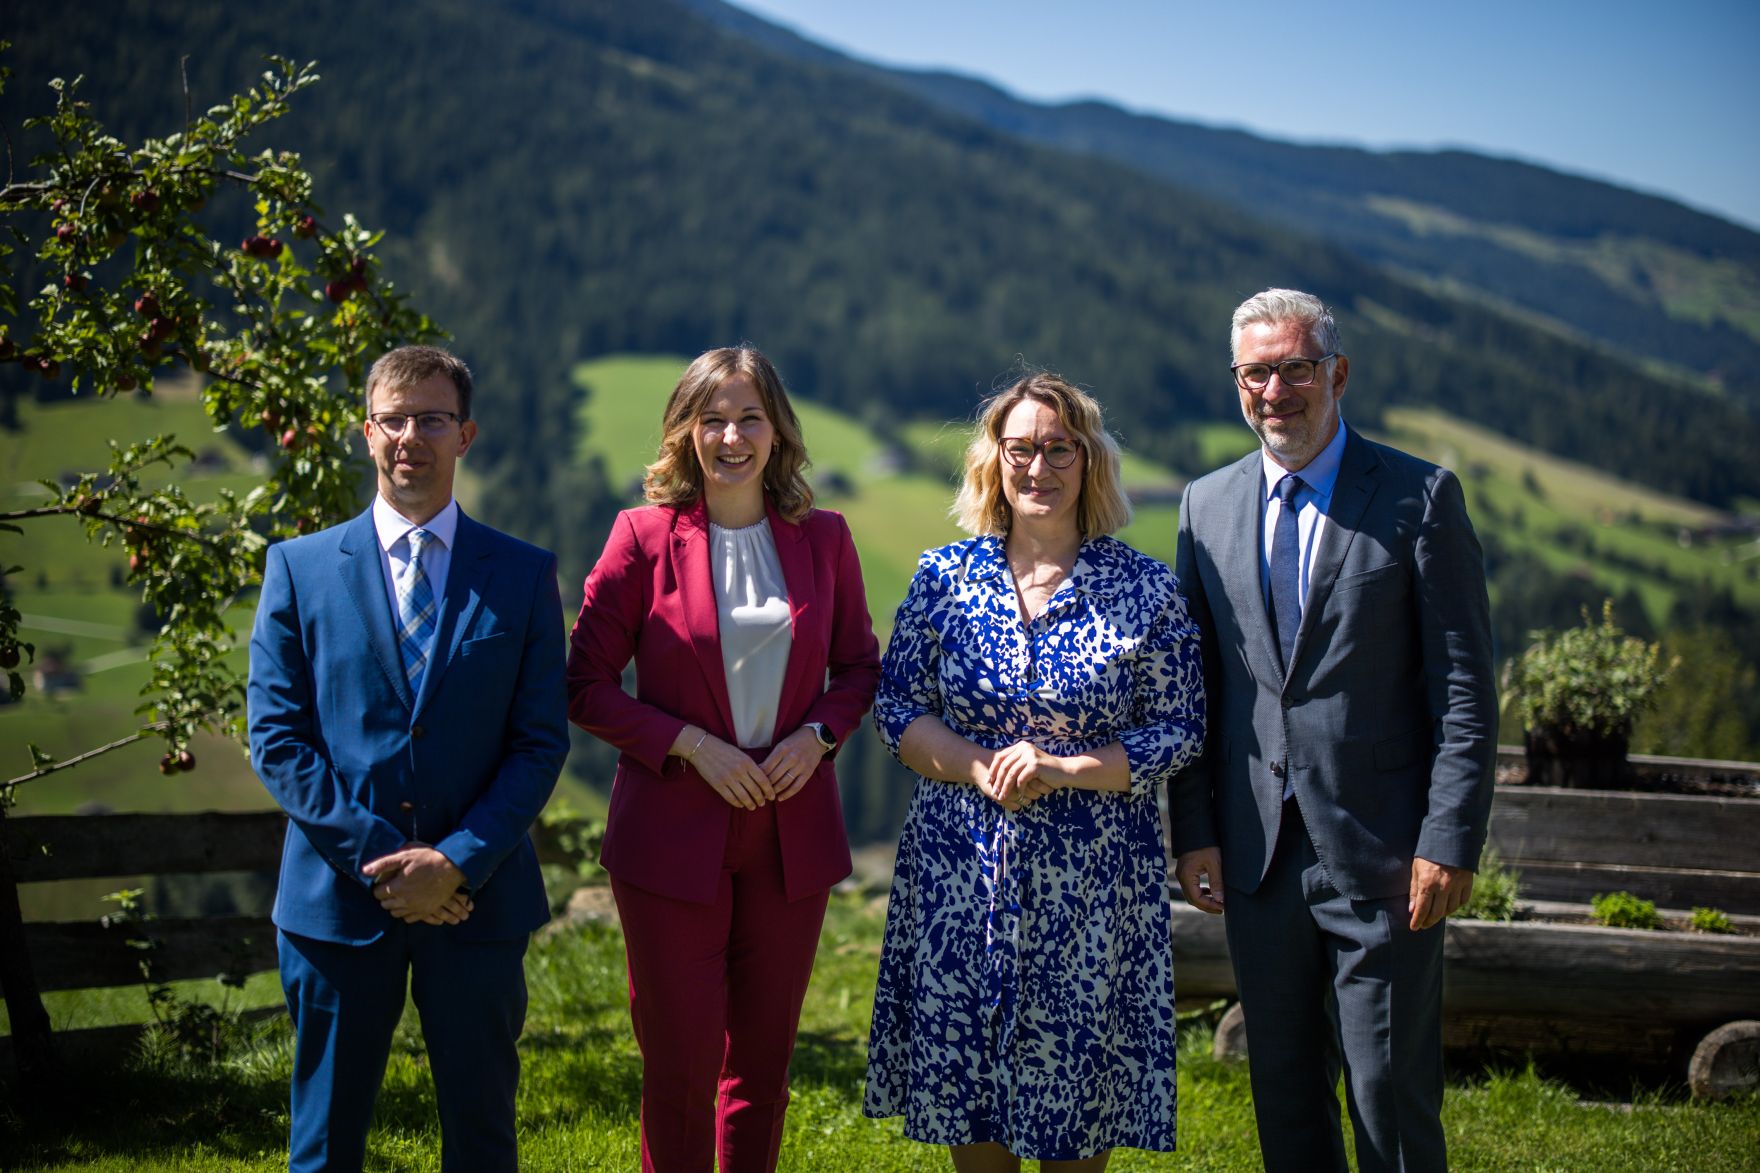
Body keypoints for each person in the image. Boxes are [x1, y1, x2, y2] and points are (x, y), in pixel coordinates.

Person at [1171, 289, 1498, 1172]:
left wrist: (1449, 839)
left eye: (1294, 368)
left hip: (1389, 855)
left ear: (1336, 373)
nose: (1275, 390)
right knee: (1283, 1090)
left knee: (1389, 1095)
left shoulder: (1420, 497)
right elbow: (1197, 686)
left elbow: (1466, 691)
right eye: (1255, 372)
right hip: (1258, 854)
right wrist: (1194, 828)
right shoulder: (1205, 506)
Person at [864, 372, 1206, 1170]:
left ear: (1090, 462)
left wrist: (1066, 765)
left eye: (1060, 448)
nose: (1039, 467)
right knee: (972, 1097)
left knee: (1075, 1109)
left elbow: (1181, 728)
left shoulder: (1145, 588)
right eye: (1021, 448)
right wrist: (980, 764)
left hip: (1092, 883)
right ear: (994, 461)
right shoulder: (942, 578)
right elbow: (896, 710)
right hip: (959, 877)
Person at [247, 345, 569, 1173]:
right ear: (366, 433)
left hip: (479, 900)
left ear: (465, 434)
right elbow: (278, 740)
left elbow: (540, 743)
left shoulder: (525, 576)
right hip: (336, 906)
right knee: (324, 1146)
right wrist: (387, 869)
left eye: (430, 418)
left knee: (483, 1138)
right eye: (393, 419)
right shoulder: (298, 568)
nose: (409, 437)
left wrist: (455, 864)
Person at [566, 345, 880, 1171]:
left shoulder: (826, 538)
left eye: (749, 417)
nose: (732, 435)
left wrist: (815, 740)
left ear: (777, 431)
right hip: (671, 835)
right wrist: (690, 744)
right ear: (685, 433)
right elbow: (585, 683)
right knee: (679, 1066)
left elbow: (858, 669)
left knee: (764, 1068)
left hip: (790, 836)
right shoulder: (641, 537)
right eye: (713, 418)